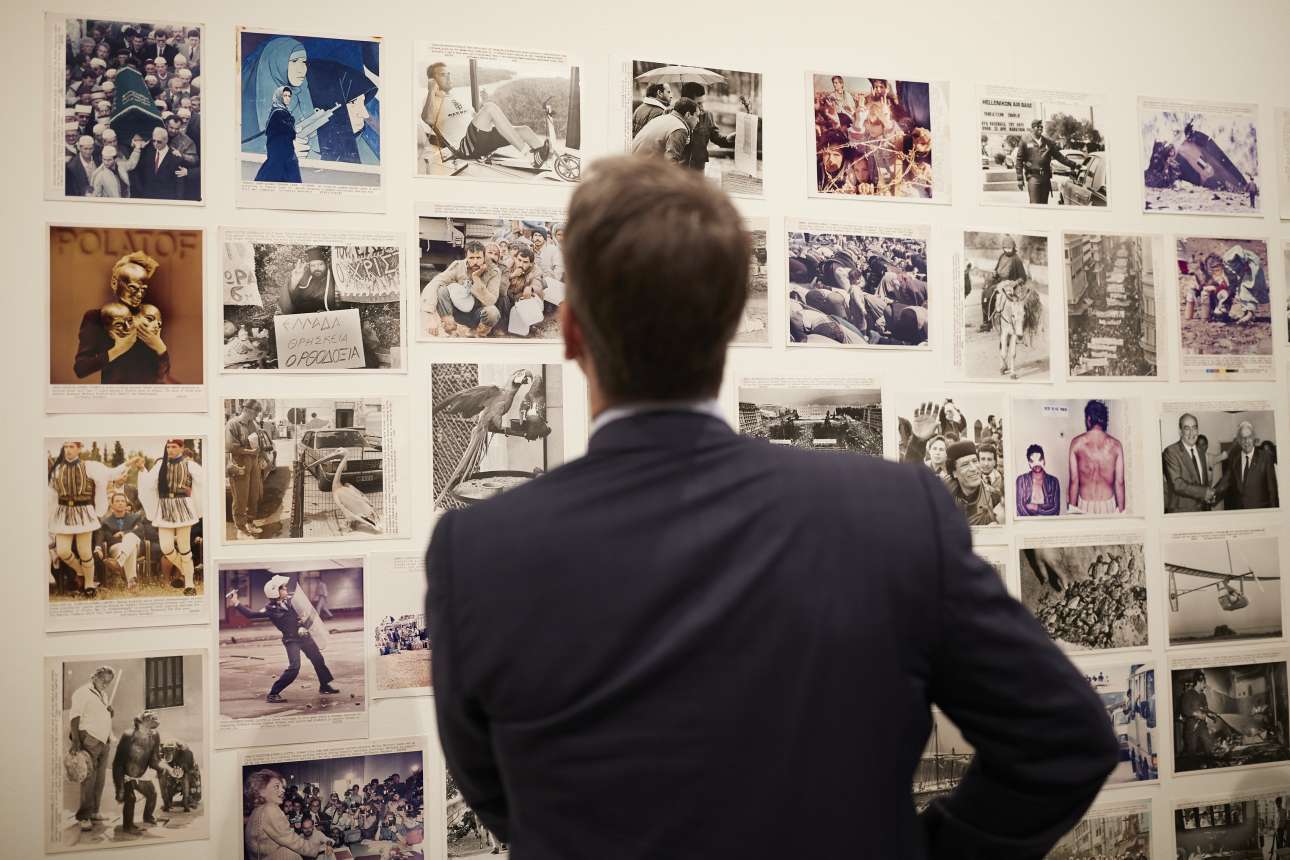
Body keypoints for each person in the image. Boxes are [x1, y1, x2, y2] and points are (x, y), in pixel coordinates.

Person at [425, 155, 1117, 858]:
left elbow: (500, 791)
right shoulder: (894, 515)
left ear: (571, 331)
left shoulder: (477, 552)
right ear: (729, 324)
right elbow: (1064, 740)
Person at [48, 442, 142, 597]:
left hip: (84, 512)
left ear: (79, 448)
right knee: (62, 551)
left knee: (85, 551)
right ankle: (81, 572)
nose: (68, 450)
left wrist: (130, 462)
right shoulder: (57, 470)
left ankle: (89, 585)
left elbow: (112, 473)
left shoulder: (90, 466)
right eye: (66, 447)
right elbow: (51, 495)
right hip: (64, 513)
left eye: (72, 447)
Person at [228, 575, 339, 703]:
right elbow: (251, 615)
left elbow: (305, 613)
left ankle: (324, 685)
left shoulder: (292, 600)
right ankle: (273, 694)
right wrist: (236, 602)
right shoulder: (270, 610)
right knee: (294, 667)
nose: (286, 589)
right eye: (283, 588)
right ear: (275, 592)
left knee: (318, 659)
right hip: (291, 640)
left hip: (304, 636)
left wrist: (303, 626)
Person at [420, 62, 551, 170]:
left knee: (525, 130)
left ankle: (546, 162)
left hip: (479, 140)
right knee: (490, 107)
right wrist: (431, 90)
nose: (449, 77)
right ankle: (529, 156)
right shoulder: (430, 100)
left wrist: (483, 104)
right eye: (443, 75)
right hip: (465, 148)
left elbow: (474, 119)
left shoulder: (457, 97)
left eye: (449, 74)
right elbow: (428, 119)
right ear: (433, 80)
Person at [138, 439, 204, 595]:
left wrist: (198, 503)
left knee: (184, 548)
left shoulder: (190, 465)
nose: (170, 449)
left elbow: (205, 482)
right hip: (165, 508)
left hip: (183, 507)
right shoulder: (160, 466)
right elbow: (148, 484)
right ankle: (187, 571)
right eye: (168, 447)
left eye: (174, 447)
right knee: (166, 547)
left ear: (181, 448)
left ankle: (189, 585)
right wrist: (142, 469)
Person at [244, 769, 335, 859]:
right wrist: (317, 848)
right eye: (276, 786)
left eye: (282, 787)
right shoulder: (270, 809)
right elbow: (290, 839)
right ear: (262, 791)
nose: (283, 790)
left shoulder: (257, 811)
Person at [112, 710, 175, 834]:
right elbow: (117, 764)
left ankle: (148, 817)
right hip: (125, 775)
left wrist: (168, 769)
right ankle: (128, 826)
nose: (150, 731)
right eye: (148, 726)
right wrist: (119, 787)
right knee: (130, 799)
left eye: (152, 728)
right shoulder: (128, 736)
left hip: (140, 775)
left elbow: (154, 760)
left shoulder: (154, 736)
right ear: (139, 723)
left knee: (152, 794)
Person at [68, 666, 115, 831]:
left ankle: (95, 811)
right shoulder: (82, 693)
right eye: (103, 680)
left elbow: (99, 714)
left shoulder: (104, 695)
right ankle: (84, 817)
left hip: (104, 740)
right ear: (94, 677)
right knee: (89, 778)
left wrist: (109, 711)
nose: (105, 684)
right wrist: (75, 740)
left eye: (109, 682)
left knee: (100, 778)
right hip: (90, 738)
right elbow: (74, 717)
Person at [424, 241, 502, 337]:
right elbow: (434, 283)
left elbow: (491, 301)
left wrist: (476, 278)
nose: (475, 262)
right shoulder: (458, 266)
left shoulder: (493, 272)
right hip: (458, 312)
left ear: (484, 256)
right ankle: (451, 329)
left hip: (478, 313)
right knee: (441, 290)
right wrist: (430, 316)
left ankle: (478, 334)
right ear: (466, 257)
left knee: (493, 312)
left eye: (478, 258)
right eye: (471, 258)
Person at [1067, 399, 1125, 514]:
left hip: (1085, 505)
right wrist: (1122, 511)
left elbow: (1074, 481)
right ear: (1104, 420)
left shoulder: (1076, 443)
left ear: (1088, 419)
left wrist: (1072, 511)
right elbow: (1120, 482)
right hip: (1108, 505)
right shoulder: (1116, 445)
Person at [1214, 421, 1279, 510]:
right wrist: (1212, 495)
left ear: (1254, 438)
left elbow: (1272, 492)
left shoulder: (1265, 458)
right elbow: (1225, 481)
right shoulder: (1234, 459)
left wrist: (1273, 513)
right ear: (1239, 440)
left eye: (1249, 437)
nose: (1246, 441)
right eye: (1243, 438)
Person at [226, 400, 267, 537]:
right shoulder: (233, 424)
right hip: (240, 464)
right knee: (240, 498)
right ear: (248, 410)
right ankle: (241, 528)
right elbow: (231, 447)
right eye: (255, 413)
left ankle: (250, 522)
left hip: (253, 463)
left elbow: (259, 443)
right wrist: (250, 452)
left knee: (253, 495)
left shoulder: (253, 424)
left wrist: (262, 457)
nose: (256, 416)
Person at [1015, 119, 1080, 205]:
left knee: (1044, 205)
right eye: (1038, 126)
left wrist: (1074, 165)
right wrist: (1020, 179)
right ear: (1032, 128)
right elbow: (1019, 160)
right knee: (1034, 204)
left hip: (1045, 178)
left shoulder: (1048, 142)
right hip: (1033, 177)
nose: (1040, 128)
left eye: (1041, 127)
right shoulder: (1025, 141)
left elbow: (1059, 157)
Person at [678, 81, 735, 174]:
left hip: (699, 170)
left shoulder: (708, 116)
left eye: (703, 103)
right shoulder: (674, 116)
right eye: (699, 103)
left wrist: (729, 139)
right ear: (687, 102)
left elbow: (717, 138)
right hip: (678, 170)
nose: (702, 107)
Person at [1162, 413, 1215, 513]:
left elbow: (1203, 482)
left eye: (1194, 428)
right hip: (1182, 512)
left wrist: (1209, 496)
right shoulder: (1171, 452)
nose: (1191, 433)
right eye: (1187, 428)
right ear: (1180, 431)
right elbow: (1177, 484)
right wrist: (1204, 492)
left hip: (1202, 510)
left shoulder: (1201, 452)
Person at [94, 492, 144, 590]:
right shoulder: (106, 522)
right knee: (131, 548)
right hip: (117, 548)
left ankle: (119, 562)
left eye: (122, 501)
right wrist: (98, 548)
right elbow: (105, 537)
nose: (120, 503)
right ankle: (132, 583)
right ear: (112, 505)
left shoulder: (135, 518)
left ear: (126, 504)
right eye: (117, 501)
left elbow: (140, 531)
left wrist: (123, 533)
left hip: (136, 545)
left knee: (130, 536)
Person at [254, 86, 305, 183]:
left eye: (289, 96)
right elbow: (288, 130)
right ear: (279, 96)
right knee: (280, 169)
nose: (287, 98)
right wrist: (293, 129)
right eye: (285, 95)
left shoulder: (280, 111)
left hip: (282, 148)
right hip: (280, 148)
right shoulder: (279, 113)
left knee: (277, 169)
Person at [979, 236, 1027, 333]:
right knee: (984, 293)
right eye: (1006, 248)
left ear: (1013, 247)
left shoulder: (1016, 259)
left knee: (991, 294)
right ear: (1003, 248)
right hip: (998, 280)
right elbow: (997, 269)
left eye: (1010, 248)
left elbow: (1023, 277)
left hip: (1009, 284)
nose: (1007, 250)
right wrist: (995, 273)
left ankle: (989, 322)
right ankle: (986, 320)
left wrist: (1015, 282)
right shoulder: (1002, 256)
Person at [631, 97, 698, 164]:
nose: (698, 120)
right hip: (643, 166)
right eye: (697, 116)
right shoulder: (680, 128)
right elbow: (671, 162)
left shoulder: (661, 118)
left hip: (632, 162)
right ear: (688, 115)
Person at [131, 125, 188, 199]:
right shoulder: (147, 152)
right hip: (147, 196)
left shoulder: (175, 158)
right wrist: (141, 192)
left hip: (166, 198)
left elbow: (179, 186)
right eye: (154, 141)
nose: (155, 144)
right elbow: (138, 172)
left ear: (166, 140)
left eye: (159, 142)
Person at [280, 246, 333, 314]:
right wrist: (294, 281)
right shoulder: (305, 278)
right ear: (309, 267)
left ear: (326, 264)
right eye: (313, 265)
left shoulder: (332, 278)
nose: (317, 268)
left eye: (320, 264)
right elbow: (291, 301)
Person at [1016, 444, 1061, 517]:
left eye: (1040, 460)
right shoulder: (1021, 480)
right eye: (1032, 461)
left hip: (1048, 522)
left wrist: (1036, 507)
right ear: (1029, 463)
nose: (1037, 464)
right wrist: (1032, 521)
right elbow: (1020, 507)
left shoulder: (1053, 481)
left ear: (1044, 460)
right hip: (1027, 523)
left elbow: (1055, 509)